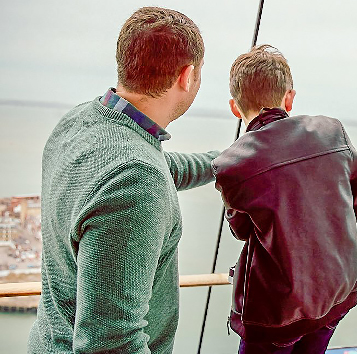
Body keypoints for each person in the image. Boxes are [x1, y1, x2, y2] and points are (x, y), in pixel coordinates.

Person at [28, 7, 219, 353]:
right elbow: (111, 343)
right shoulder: (138, 180)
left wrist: (225, 160)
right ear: (187, 76)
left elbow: (159, 168)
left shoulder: (80, 123)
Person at [212, 44, 357, 354]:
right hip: (337, 292)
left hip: (278, 312)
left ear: (235, 107)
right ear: (289, 98)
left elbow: (243, 231)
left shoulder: (230, 166)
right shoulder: (332, 131)